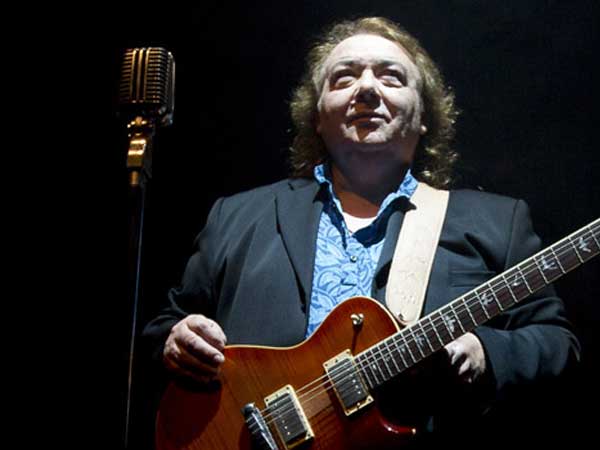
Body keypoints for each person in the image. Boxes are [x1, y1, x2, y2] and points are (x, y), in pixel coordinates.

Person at [143, 16, 580, 447]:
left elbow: (557, 342)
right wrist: (173, 342)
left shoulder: (497, 221)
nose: (367, 89)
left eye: (391, 77)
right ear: (317, 115)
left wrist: (488, 353)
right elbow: (163, 327)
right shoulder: (237, 216)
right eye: (344, 77)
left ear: (424, 115)